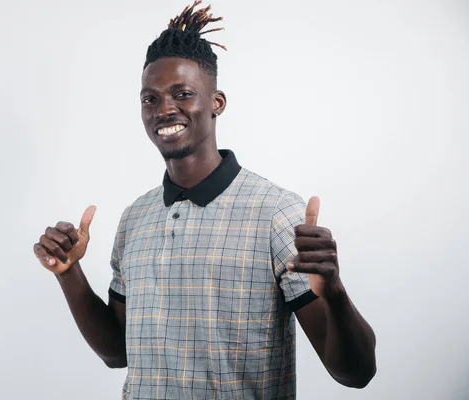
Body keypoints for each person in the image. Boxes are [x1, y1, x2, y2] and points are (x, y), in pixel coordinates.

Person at [33, 1, 376, 398]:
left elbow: (356, 374)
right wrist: (68, 273)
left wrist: (334, 293)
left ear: (216, 103)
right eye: (150, 98)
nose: (164, 109)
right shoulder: (135, 219)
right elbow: (117, 354)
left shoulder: (276, 213)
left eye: (182, 93)